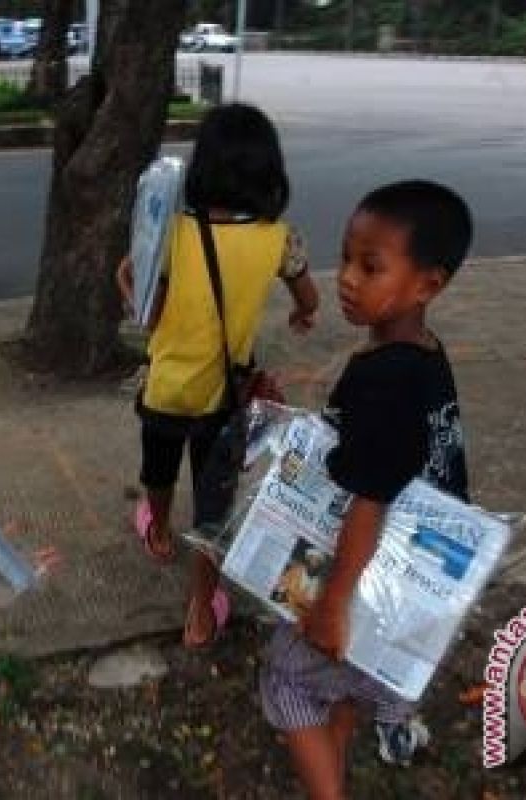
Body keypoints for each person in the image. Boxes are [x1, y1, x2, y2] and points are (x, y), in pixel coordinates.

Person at [260, 180, 474, 799]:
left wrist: (330, 607)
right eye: (347, 258)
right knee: (342, 684)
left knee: (289, 680)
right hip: (416, 589)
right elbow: (372, 451)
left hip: (369, 585)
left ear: (428, 284)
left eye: (371, 266)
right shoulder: (425, 358)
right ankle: (344, 750)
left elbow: (369, 496)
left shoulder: (382, 377)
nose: (347, 278)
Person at [117, 103, 320, 648]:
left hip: (165, 387)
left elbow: (147, 314)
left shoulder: (172, 234)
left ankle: (157, 529)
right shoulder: (279, 239)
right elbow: (309, 296)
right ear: (268, 172)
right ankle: (200, 611)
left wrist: (126, 282)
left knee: (157, 468)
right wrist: (302, 312)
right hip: (225, 396)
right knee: (214, 503)